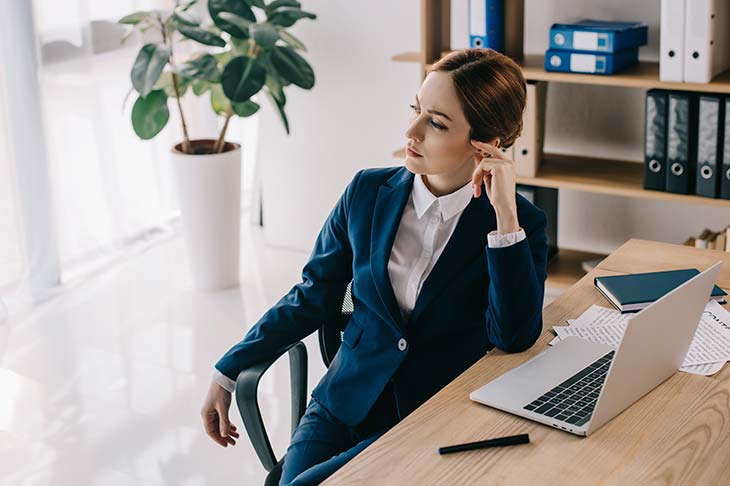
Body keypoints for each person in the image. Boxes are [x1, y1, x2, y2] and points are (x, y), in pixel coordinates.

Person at [200, 47, 548, 486]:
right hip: (341, 401)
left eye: (436, 123)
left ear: (487, 144)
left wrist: (504, 219)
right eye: (415, 110)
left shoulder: (519, 225)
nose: (412, 131)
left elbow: (514, 337)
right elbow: (313, 294)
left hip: (426, 419)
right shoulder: (366, 192)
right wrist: (228, 369)